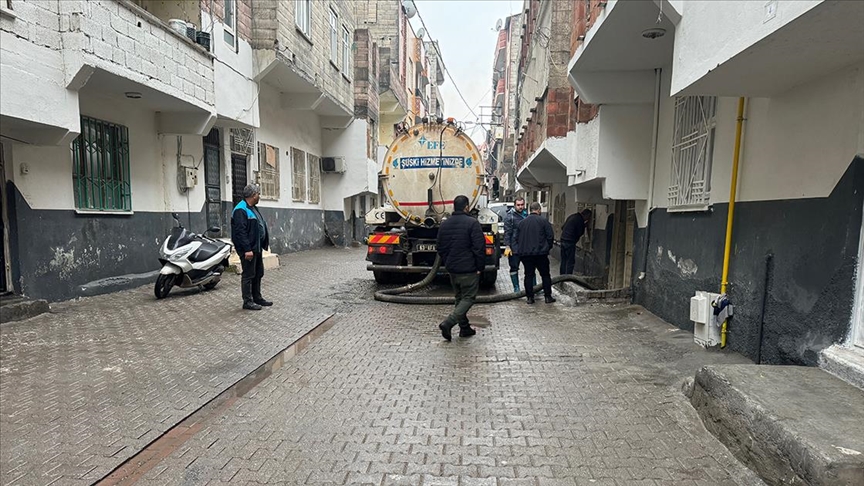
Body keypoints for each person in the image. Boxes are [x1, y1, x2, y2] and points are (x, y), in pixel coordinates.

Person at [436, 195, 484, 341]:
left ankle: (464, 328)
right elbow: (479, 248)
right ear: (467, 207)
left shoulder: (445, 224)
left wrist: (448, 261)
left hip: (453, 268)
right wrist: (479, 267)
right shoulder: (473, 223)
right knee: (468, 298)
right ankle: (448, 323)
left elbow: (440, 247)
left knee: (459, 298)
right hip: (468, 268)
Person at [231, 184, 272, 310]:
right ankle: (247, 301)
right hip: (249, 249)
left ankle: (257, 298)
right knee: (248, 275)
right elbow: (240, 232)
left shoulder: (253, 208)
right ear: (253, 195)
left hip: (256, 247)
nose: (259, 196)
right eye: (258, 194)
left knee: (258, 273)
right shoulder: (240, 210)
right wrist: (247, 249)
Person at [513, 202, 555, 304]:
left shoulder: (522, 223)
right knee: (545, 275)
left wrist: (521, 250)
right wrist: (547, 248)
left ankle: (530, 298)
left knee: (528, 275)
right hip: (541, 254)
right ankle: (548, 297)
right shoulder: (544, 221)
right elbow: (550, 236)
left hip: (526, 254)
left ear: (529, 210)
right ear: (539, 210)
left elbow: (516, 238)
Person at [503, 197, 529, 292]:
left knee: (530, 268)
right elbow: (507, 232)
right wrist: (507, 246)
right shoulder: (510, 217)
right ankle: (516, 288)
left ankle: (534, 288)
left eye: (522, 205)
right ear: (514, 205)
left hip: (526, 247)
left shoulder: (527, 215)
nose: (520, 207)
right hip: (514, 248)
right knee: (514, 267)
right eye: (518, 205)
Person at [559, 208, 592, 275]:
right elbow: (579, 232)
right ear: (586, 215)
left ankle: (562, 276)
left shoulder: (572, 216)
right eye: (588, 217)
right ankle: (568, 277)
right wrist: (584, 226)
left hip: (563, 239)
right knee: (570, 261)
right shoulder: (580, 220)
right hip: (570, 241)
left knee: (564, 260)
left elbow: (562, 227)